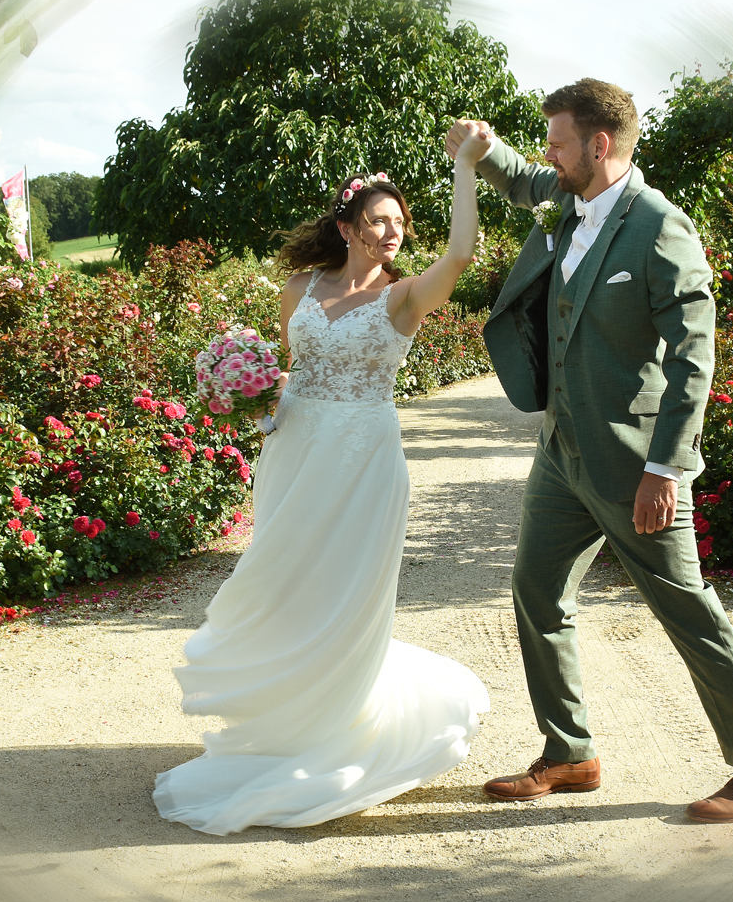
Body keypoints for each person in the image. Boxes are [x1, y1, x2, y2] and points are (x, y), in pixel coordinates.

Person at [449, 78, 733, 823]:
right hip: (562, 451)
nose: (549, 156)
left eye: (558, 143)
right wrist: (483, 149)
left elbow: (693, 361)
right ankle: (569, 752)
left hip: (635, 461)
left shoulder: (660, 228)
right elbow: (522, 177)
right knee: (537, 591)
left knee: (686, 608)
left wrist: (665, 469)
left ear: (599, 144)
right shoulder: (568, 194)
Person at [152, 126, 497, 835]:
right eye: (380, 220)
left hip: (365, 459)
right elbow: (293, 372)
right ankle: (287, 724)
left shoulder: (405, 298)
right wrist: (247, 393)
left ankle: (338, 728)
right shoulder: (299, 290)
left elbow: (461, 253)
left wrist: (466, 165)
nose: (393, 232)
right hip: (294, 451)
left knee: (346, 588)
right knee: (287, 583)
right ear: (347, 228)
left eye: (400, 222)